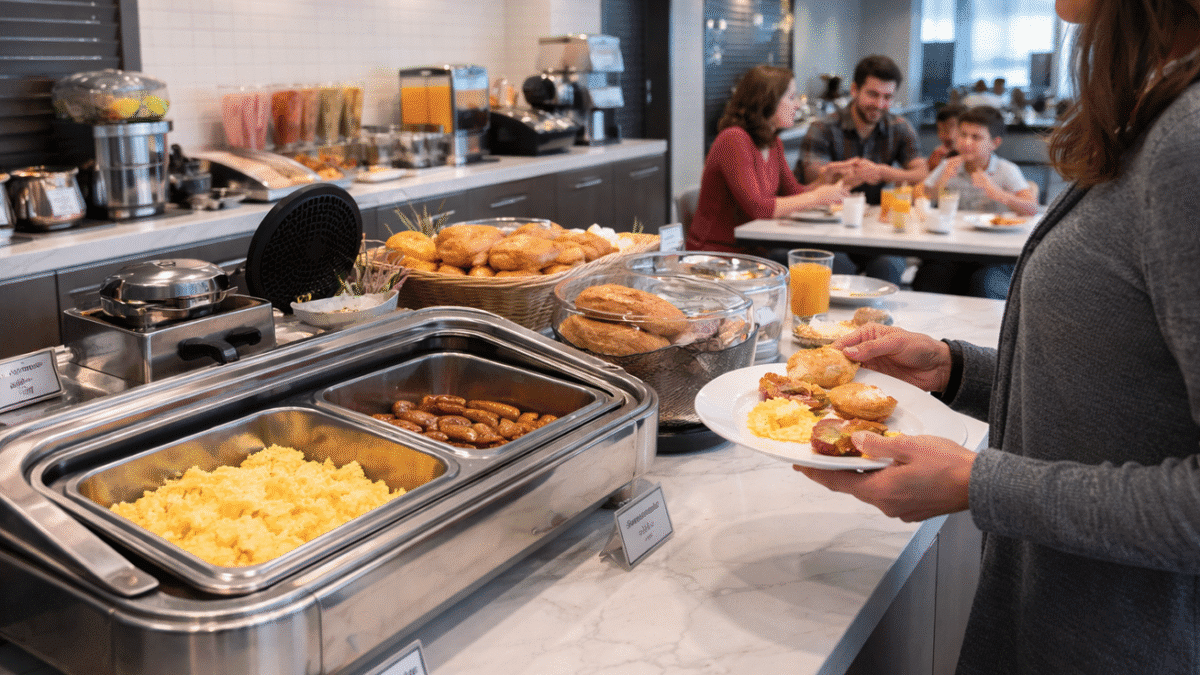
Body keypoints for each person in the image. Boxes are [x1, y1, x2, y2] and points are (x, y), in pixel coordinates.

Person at [796, 0, 1200, 673]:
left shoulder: (1188, 142)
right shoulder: (1159, 110)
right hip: (1054, 612)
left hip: (1122, 640)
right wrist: (955, 370)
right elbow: (1120, 388)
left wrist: (980, 483)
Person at [686, 65, 847, 254]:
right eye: (790, 97)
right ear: (766, 101)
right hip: (718, 254)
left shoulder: (773, 142)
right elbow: (759, 208)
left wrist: (826, 181)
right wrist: (818, 196)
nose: (798, 104)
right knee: (825, 261)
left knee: (833, 260)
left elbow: (793, 194)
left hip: (755, 251)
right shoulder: (734, 140)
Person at [797, 55, 927, 284]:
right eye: (873, 94)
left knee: (890, 264)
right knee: (838, 265)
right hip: (828, 230)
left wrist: (884, 172)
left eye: (887, 97)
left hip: (877, 231)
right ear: (855, 90)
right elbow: (812, 175)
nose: (879, 104)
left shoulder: (899, 127)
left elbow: (922, 172)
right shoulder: (823, 128)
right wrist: (850, 175)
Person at [912, 105, 1037, 298]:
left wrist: (996, 192)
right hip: (952, 249)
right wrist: (941, 181)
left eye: (976, 137)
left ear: (994, 143)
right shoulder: (949, 165)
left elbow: (1031, 208)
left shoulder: (1006, 170)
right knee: (929, 277)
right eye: (963, 135)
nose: (966, 142)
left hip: (995, 255)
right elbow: (917, 196)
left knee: (984, 283)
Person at [926, 102, 966, 172]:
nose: (941, 136)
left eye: (947, 130)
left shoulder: (971, 158)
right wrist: (933, 168)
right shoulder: (940, 154)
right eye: (939, 130)